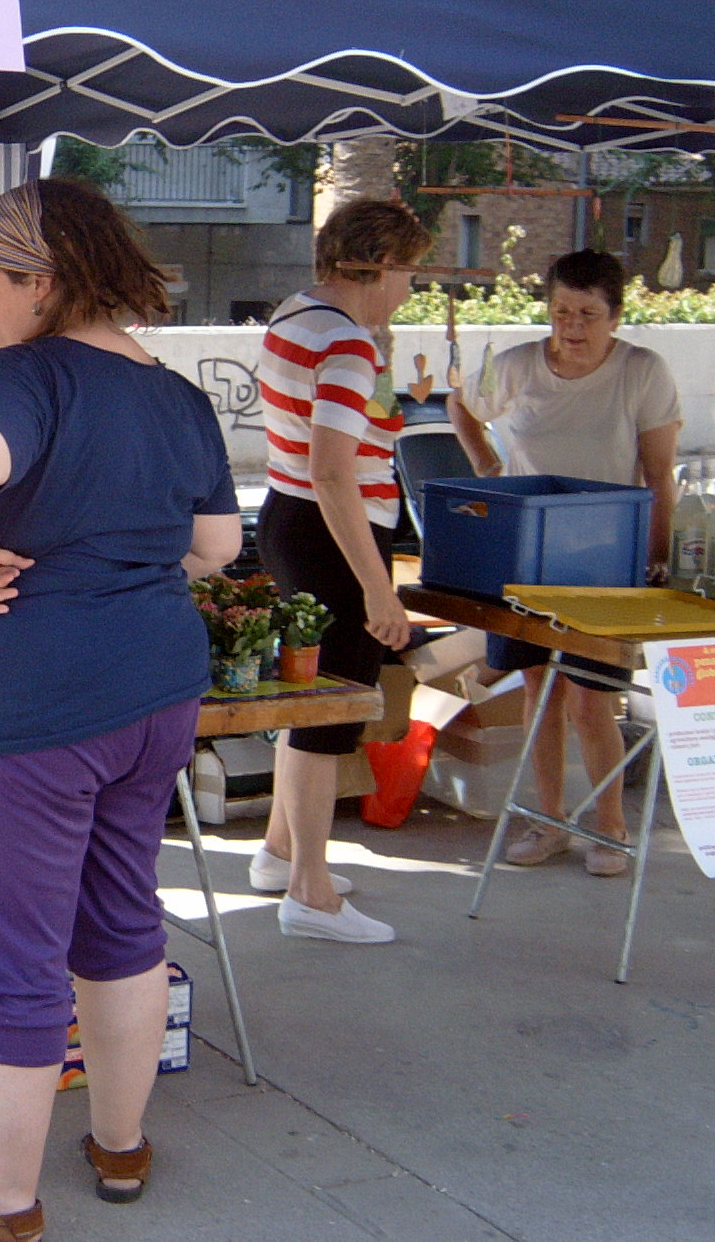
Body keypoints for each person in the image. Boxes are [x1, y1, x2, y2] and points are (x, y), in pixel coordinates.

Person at [0, 180, 241, 1242]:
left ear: (41, 283)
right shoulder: (172, 394)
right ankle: (120, 1146)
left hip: (25, 710)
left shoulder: (21, 376)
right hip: (153, 693)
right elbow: (216, 546)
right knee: (122, 920)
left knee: (12, 960)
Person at [448, 249, 681, 877]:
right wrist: (487, 466)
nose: (572, 327)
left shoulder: (642, 371)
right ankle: (546, 819)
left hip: (606, 560)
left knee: (590, 699)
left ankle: (610, 826)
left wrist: (659, 558)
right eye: (560, 312)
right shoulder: (517, 365)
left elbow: (659, 474)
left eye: (588, 314)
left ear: (616, 316)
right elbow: (461, 404)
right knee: (537, 690)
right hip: (523, 553)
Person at [250, 198, 433, 945]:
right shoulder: (349, 344)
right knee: (326, 715)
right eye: (409, 273)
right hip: (333, 534)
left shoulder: (296, 313)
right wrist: (378, 590)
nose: (410, 289)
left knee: (308, 699)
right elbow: (334, 472)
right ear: (381, 266)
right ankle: (310, 892)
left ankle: (280, 852)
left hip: (288, 518)